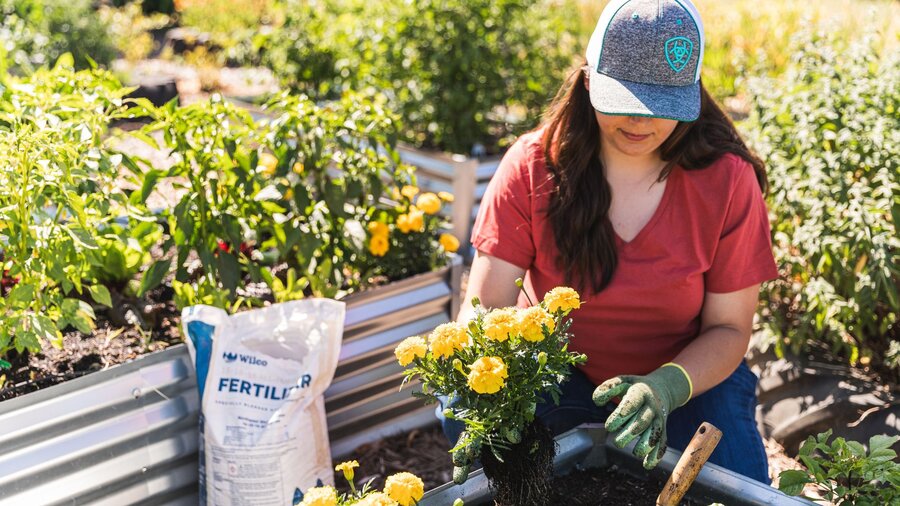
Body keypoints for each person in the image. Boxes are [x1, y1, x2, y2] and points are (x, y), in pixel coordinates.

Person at [437, 0, 778, 484]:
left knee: (731, 485)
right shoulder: (534, 165)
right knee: (528, 470)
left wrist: (666, 386)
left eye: (661, 106)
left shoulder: (725, 180)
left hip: (689, 378)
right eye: (625, 99)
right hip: (556, 375)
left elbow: (728, 329)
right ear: (589, 80)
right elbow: (487, 307)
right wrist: (484, 396)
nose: (640, 121)